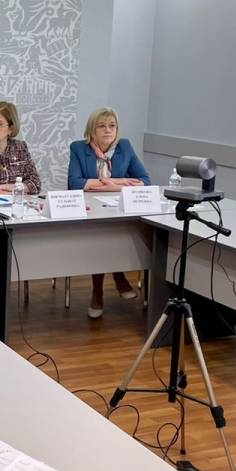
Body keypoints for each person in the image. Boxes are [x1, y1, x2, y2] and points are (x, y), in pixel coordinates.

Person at [67, 107, 151, 317]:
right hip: (89, 211)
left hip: (116, 208)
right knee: (101, 236)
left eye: (112, 126)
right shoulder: (79, 148)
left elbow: (145, 181)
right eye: (102, 126)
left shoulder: (125, 146)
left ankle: (117, 277)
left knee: (119, 233)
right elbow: (74, 183)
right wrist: (119, 182)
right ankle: (99, 290)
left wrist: (113, 185)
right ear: (92, 130)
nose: (107, 130)